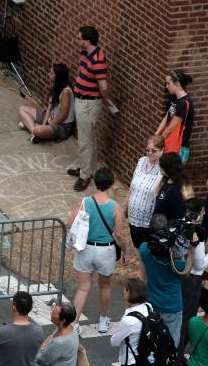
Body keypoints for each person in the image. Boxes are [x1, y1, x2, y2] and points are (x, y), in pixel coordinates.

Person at [65, 168, 127, 334]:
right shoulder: (115, 206)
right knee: (105, 286)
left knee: (83, 288)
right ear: (111, 184)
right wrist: (125, 252)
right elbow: (119, 234)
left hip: (85, 249)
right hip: (105, 251)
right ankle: (103, 321)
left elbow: (70, 224)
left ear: (95, 182)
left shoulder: (85, 201)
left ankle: (75, 324)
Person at [139, 214, 194, 366]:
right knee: (169, 343)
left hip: (153, 302)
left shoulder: (144, 249)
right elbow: (185, 273)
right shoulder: (175, 257)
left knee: (153, 339)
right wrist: (190, 248)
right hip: (172, 305)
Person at [177, 201, 208, 366]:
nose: (204, 214)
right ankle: (177, 355)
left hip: (178, 277)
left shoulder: (178, 227)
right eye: (202, 212)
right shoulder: (197, 233)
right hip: (191, 280)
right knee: (187, 319)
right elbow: (199, 264)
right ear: (195, 214)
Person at [66, 26, 109, 192]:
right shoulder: (85, 53)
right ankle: (89, 169)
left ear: (87, 41)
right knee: (89, 138)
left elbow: (103, 86)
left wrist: (105, 100)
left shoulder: (98, 59)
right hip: (81, 100)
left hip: (90, 104)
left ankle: (84, 177)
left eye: (79, 39)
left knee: (84, 141)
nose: (77, 41)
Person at [124, 135, 165, 249]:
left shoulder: (163, 168)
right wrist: (126, 205)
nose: (150, 153)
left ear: (162, 150)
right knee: (138, 246)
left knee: (147, 247)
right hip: (133, 214)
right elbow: (132, 184)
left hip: (149, 217)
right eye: (147, 150)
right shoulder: (141, 161)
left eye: (154, 150)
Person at [18, 64, 75, 144]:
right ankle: (34, 131)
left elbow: (63, 115)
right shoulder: (56, 85)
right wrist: (44, 124)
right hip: (51, 118)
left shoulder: (66, 91)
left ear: (58, 76)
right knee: (22, 109)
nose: (48, 74)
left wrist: (48, 126)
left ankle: (33, 128)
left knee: (38, 130)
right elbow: (49, 107)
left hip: (62, 126)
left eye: (51, 73)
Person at [156, 69, 195, 162]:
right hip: (169, 142)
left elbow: (171, 127)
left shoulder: (184, 103)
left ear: (177, 83)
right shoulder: (175, 98)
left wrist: (157, 142)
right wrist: (156, 134)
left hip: (179, 147)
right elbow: (167, 117)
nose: (166, 86)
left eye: (168, 83)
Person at [153, 151, 188, 222]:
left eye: (161, 165)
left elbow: (177, 215)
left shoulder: (174, 190)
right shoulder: (166, 183)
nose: (159, 166)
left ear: (167, 168)